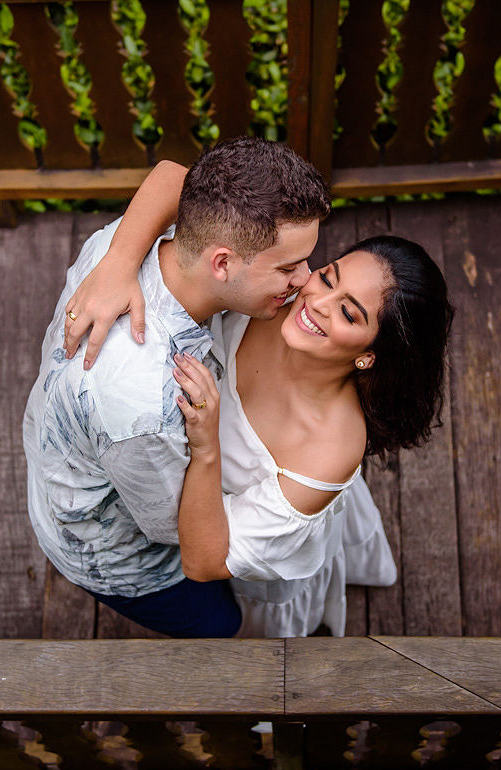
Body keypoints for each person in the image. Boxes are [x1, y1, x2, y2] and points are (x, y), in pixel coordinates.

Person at [66, 163, 454, 637]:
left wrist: (206, 447)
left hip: (227, 536)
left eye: (349, 314)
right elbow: (177, 179)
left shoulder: (326, 451)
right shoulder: (275, 295)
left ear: (368, 357)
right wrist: (119, 262)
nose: (315, 302)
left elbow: (206, 561)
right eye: (329, 278)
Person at [22, 137, 331, 638]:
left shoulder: (123, 244)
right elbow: (176, 531)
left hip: (75, 450)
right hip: (123, 556)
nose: (307, 277)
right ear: (223, 263)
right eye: (287, 266)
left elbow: (171, 176)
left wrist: (124, 256)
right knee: (221, 625)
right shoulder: (148, 408)